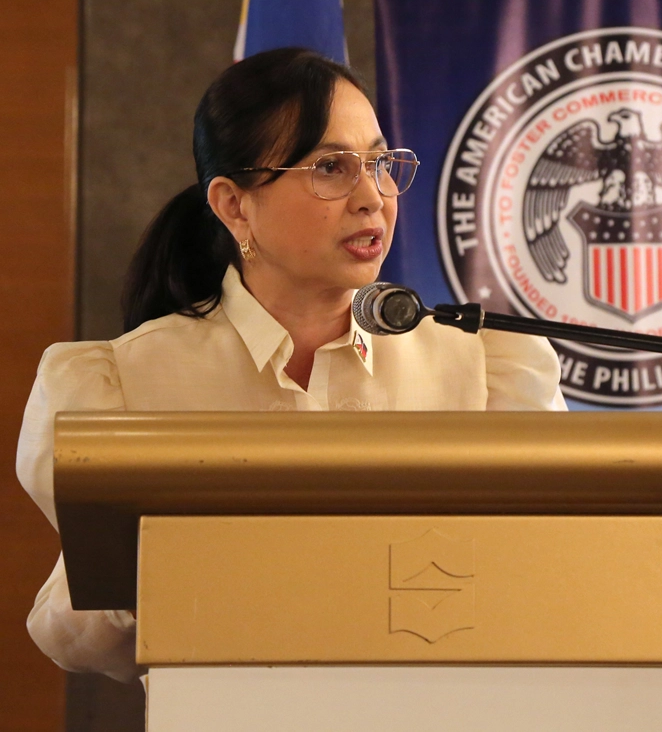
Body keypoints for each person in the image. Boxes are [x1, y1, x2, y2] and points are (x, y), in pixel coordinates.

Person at [16, 48, 566, 683]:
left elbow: (541, 579)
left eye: (380, 163)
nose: (372, 197)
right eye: (331, 167)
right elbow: (74, 633)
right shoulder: (128, 384)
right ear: (233, 204)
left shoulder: (481, 368)